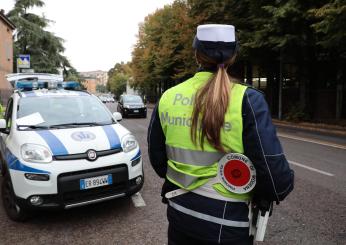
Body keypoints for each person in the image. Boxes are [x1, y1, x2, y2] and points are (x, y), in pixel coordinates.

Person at [148, 24, 294, 245]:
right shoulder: (248, 99)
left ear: (196, 54)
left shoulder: (169, 96)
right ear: (234, 55)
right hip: (227, 225)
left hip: (180, 215)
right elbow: (275, 179)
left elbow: (158, 160)